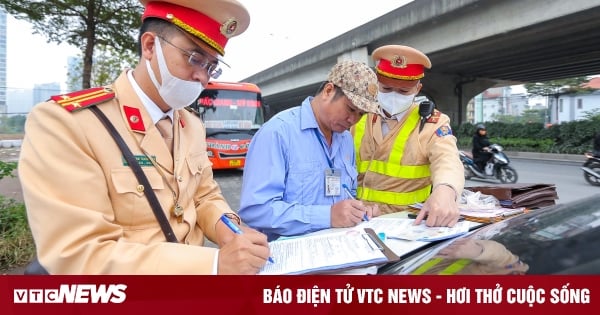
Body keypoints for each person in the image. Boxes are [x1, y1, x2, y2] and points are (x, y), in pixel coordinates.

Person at [18, 0, 271, 275]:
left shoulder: (191, 125)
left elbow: (203, 195)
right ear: (150, 46)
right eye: (195, 58)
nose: (202, 78)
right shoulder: (67, 123)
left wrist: (230, 229)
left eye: (211, 67)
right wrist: (213, 264)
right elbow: (79, 254)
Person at [239, 60, 381, 241]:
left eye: (361, 114)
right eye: (351, 109)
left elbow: (348, 193)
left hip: (336, 249)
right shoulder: (278, 133)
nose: (353, 119)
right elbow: (256, 210)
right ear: (328, 91)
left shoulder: (345, 139)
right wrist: (327, 216)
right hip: (288, 258)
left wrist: (358, 210)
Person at [351, 45, 464, 227]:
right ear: (375, 84)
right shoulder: (357, 117)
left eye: (404, 91)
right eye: (386, 89)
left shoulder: (431, 123)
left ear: (418, 88)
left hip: (407, 227)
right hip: (358, 222)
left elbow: (448, 161)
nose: (394, 96)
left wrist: (445, 191)